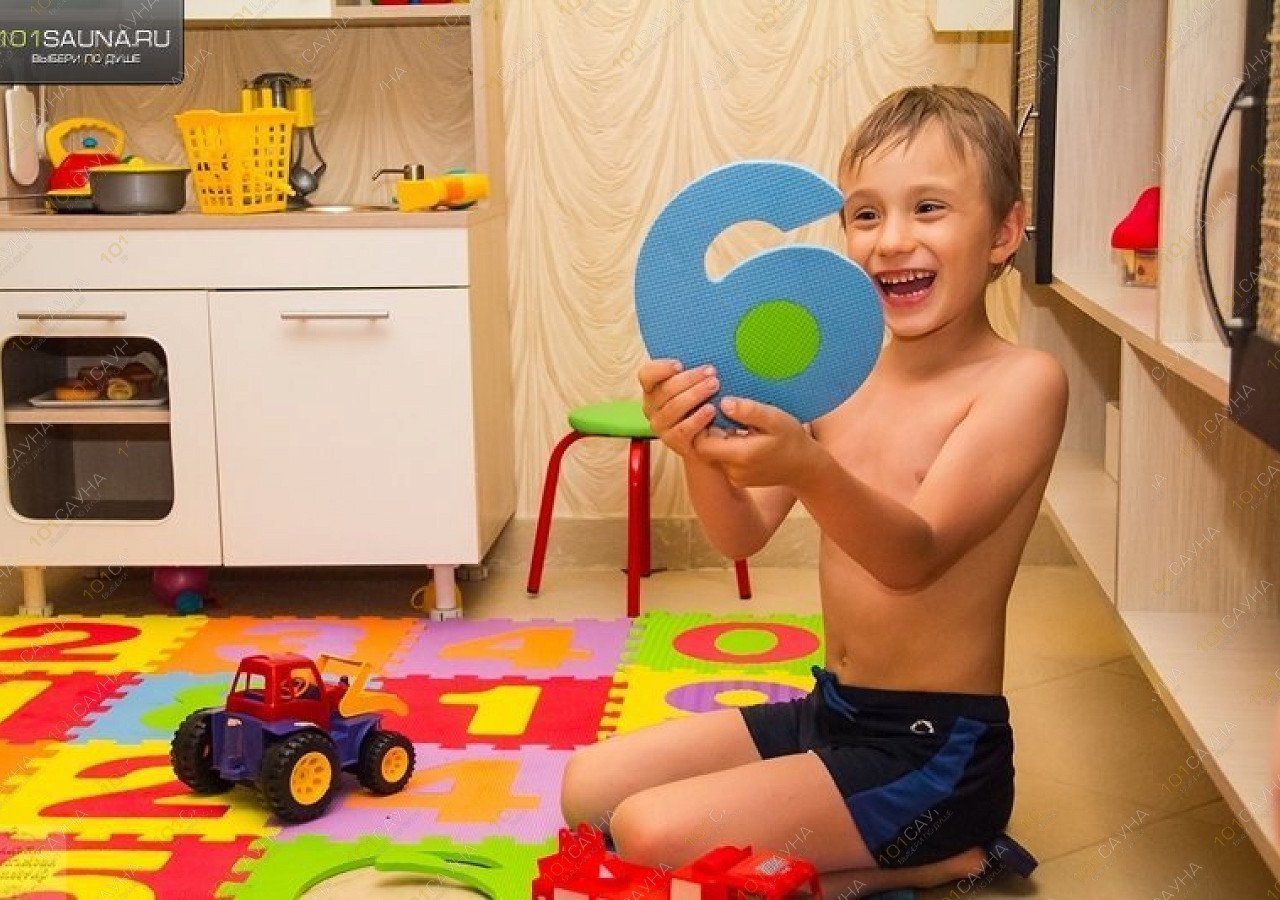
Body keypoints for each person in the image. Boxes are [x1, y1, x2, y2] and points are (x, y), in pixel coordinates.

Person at [560, 83, 1068, 895]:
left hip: (935, 751)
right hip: (831, 714)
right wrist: (693, 440)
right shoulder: (843, 377)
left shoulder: (1022, 384)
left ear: (1004, 232)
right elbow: (740, 534)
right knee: (587, 788)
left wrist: (809, 467)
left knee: (647, 832)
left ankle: (936, 852)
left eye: (928, 208)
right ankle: (851, 851)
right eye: (865, 215)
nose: (891, 240)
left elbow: (913, 555)